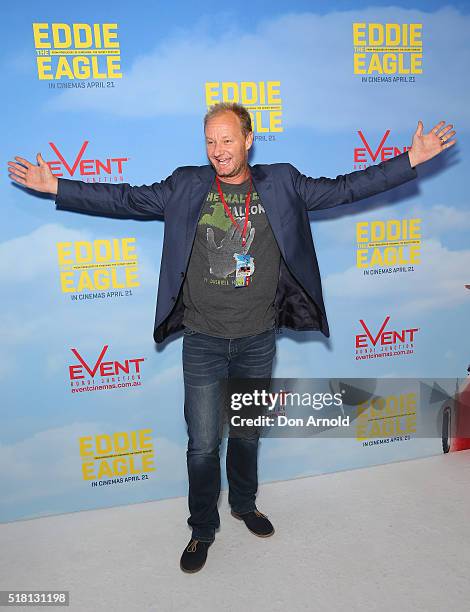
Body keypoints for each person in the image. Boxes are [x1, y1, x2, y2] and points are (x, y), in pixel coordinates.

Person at [7, 104, 456, 573]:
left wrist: (410, 160)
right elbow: (122, 198)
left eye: (226, 140)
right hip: (202, 338)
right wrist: (55, 185)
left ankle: (244, 503)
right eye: (210, 141)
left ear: (247, 140)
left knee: (245, 433)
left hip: (258, 338)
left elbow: (346, 188)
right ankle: (202, 528)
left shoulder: (282, 182)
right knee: (203, 444)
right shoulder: (186, 186)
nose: (218, 151)